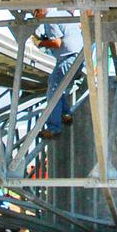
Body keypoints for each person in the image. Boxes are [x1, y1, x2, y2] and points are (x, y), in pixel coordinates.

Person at [31, 8, 83, 138]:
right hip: (79, 58)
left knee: (53, 92)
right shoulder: (63, 14)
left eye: (35, 14)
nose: (36, 17)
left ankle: (54, 128)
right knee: (56, 86)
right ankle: (66, 114)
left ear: (41, 10)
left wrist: (41, 43)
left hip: (67, 58)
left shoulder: (50, 19)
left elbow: (57, 42)